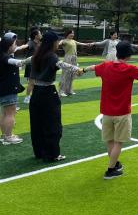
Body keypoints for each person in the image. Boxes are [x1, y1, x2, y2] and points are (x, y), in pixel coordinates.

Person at [83, 41, 138, 179]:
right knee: (118, 142)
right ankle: (110, 170)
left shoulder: (105, 66)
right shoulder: (129, 69)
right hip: (122, 112)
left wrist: (82, 70)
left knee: (110, 141)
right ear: (129, 55)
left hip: (106, 112)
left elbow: (92, 67)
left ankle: (115, 164)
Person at [29, 32, 83, 162]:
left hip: (36, 93)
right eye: (57, 41)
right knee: (53, 124)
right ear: (52, 42)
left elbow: (24, 62)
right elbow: (62, 65)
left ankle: (39, 152)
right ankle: (52, 154)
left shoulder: (37, 55)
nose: (58, 44)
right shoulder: (51, 56)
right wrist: (78, 69)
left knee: (37, 124)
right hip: (48, 93)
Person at [0, 32, 30, 145]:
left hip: (2, 88)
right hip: (8, 89)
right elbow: (17, 62)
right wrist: (32, 59)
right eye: (14, 44)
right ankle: (9, 136)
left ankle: (4, 135)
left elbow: (14, 57)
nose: (15, 46)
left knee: (4, 113)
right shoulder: (5, 57)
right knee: (10, 113)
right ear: (8, 46)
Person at [58, 29, 91, 97]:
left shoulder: (73, 41)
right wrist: (59, 43)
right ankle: (61, 91)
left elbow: (80, 43)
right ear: (68, 34)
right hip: (68, 58)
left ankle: (69, 90)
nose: (72, 34)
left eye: (73, 33)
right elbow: (59, 43)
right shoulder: (64, 41)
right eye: (71, 33)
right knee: (65, 75)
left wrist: (87, 44)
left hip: (74, 58)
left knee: (72, 75)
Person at [23, 27, 41, 104]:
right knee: (31, 82)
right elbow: (25, 46)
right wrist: (18, 48)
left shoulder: (39, 43)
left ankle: (34, 97)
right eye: (40, 33)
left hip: (37, 65)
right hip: (31, 65)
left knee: (36, 82)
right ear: (36, 36)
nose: (41, 35)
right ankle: (27, 98)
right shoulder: (31, 42)